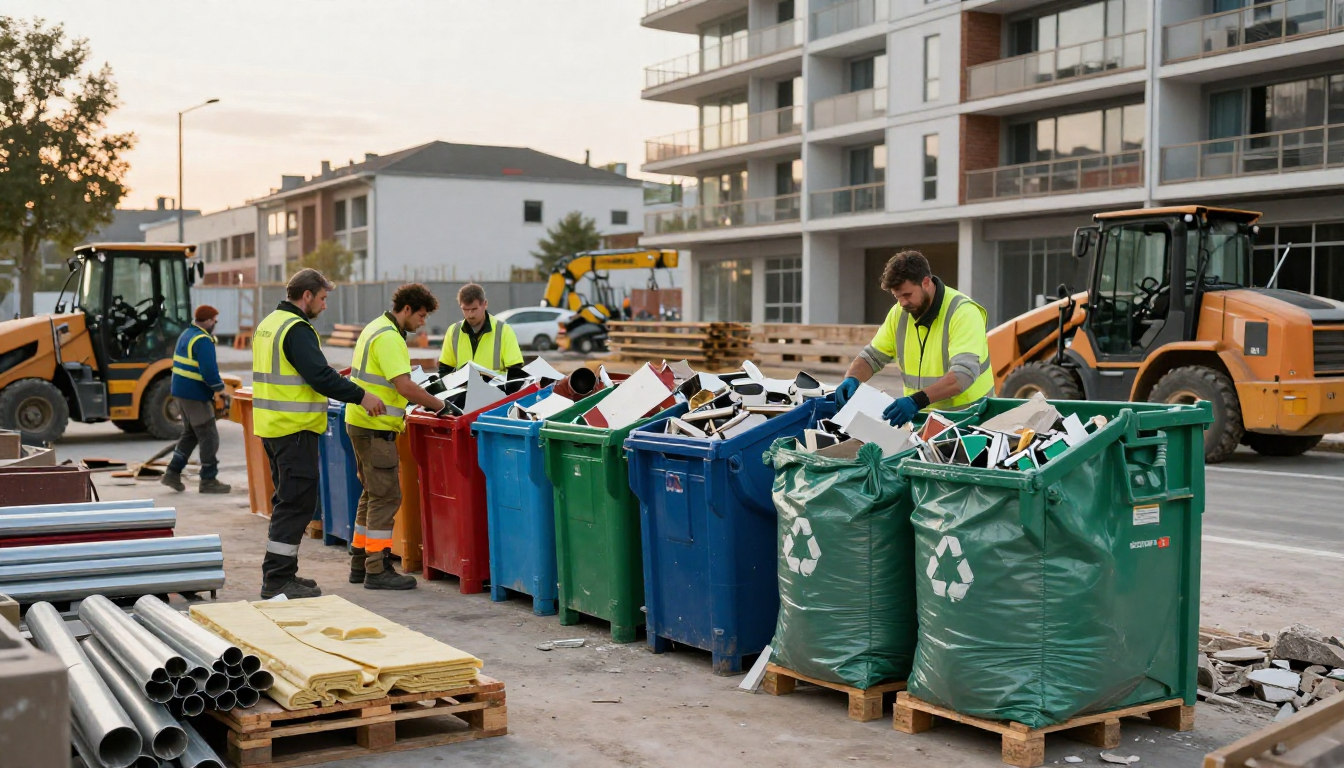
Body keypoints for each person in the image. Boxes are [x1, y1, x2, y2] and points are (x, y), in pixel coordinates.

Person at [252, 268, 386, 600]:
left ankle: (282, 574)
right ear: (307, 295)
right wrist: (361, 396)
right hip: (294, 430)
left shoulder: (269, 324)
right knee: (296, 505)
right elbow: (319, 377)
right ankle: (277, 580)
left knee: (288, 502)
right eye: (323, 298)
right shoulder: (296, 328)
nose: (325, 306)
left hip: (274, 429)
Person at [345, 284, 446, 590]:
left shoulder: (375, 327)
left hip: (360, 423)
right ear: (407, 309)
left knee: (371, 495)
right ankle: (377, 569)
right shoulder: (389, 337)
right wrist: (440, 405)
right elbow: (404, 386)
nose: (423, 322)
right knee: (386, 497)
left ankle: (360, 562)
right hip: (375, 429)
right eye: (421, 315)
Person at [834, 250, 993, 425]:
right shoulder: (899, 313)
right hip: (921, 420)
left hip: (969, 420)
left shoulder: (963, 313)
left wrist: (916, 401)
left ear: (926, 282)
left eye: (907, 295)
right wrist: (852, 377)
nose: (902, 303)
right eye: (897, 296)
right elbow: (871, 357)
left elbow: (963, 375)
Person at [162, 304, 230, 494]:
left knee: (191, 434)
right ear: (207, 321)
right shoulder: (203, 340)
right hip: (195, 395)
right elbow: (209, 372)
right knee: (209, 436)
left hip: (182, 393)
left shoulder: (186, 334)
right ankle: (208, 480)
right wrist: (221, 390)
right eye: (214, 321)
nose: (215, 324)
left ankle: (172, 472)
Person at [437, 283, 525, 378]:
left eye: (474, 309)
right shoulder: (453, 331)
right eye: (465, 309)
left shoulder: (504, 330)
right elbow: (445, 369)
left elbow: (515, 371)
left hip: (496, 387)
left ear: (485, 304)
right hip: (463, 387)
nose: (470, 315)